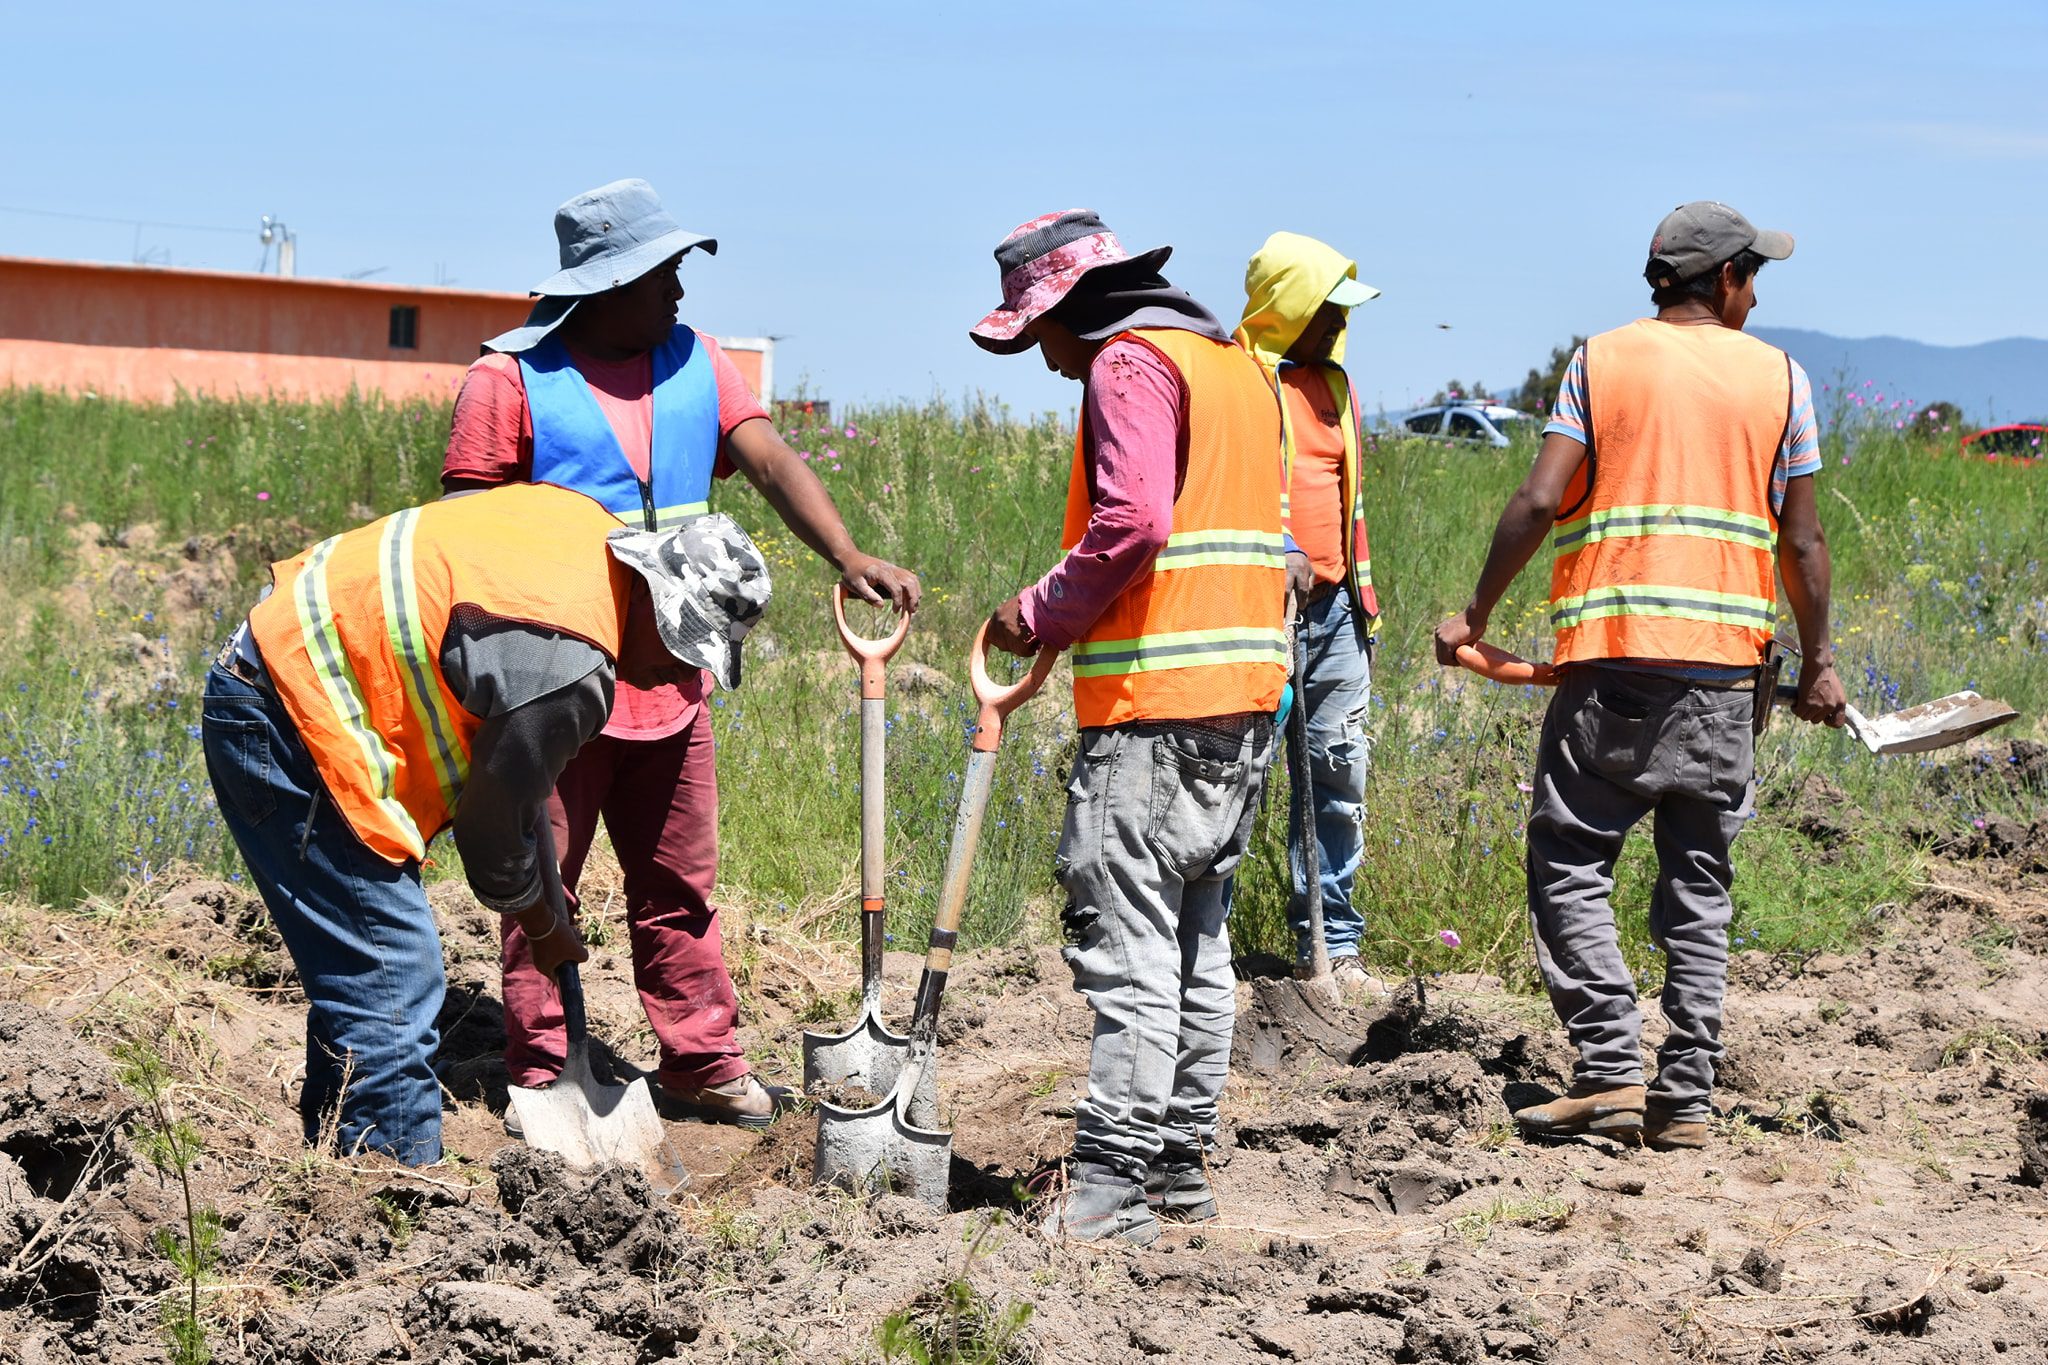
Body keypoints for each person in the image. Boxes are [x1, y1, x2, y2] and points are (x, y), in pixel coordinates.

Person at [442, 179, 920, 1127]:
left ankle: (700, 1059)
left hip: (671, 672)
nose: (679, 291)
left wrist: (849, 553)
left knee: (679, 883)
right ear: (602, 284)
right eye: (661, 272)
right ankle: (543, 1066)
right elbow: (463, 532)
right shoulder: (510, 379)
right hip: (552, 685)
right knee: (545, 876)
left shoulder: (698, 362)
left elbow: (773, 460)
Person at [1433, 202, 1847, 1151]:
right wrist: (1820, 664)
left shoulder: (1602, 361)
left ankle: (1612, 1065)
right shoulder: (1781, 378)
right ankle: (1687, 1098)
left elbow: (1541, 497)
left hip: (1613, 665)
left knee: (1572, 860)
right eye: (1756, 276)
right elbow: (1804, 539)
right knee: (1700, 883)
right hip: (1726, 675)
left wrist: (1478, 616)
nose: (1757, 293)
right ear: (1729, 279)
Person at [201, 484, 771, 1164]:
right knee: (394, 981)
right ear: (654, 600)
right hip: (294, 715)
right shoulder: (575, 664)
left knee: (364, 975)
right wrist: (540, 923)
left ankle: (339, 1177)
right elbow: (491, 839)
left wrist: (548, 908)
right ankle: (396, 1204)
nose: (674, 672)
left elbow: (516, 780)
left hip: (284, 667)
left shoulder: (585, 531)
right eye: (682, 649)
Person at [972, 210, 1295, 1244]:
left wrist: (1036, 611)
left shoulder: (1128, 364)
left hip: (1155, 710)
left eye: (1040, 338)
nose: (1050, 365)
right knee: (1200, 950)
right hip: (1242, 700)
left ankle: (1108, 1188)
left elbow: (1134, 524)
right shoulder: (1239, 369)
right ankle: (1176, 1174)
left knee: (1132, 953)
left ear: (1071, 308)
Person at [1236, 232, 1386, 995]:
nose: (1336, 325)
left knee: (1336, 774)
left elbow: (1350, 509)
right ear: (1288, 308)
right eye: (1324, 310)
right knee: (1240, 776)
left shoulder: (1337, 387)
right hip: (1259, 617)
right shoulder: (1240, 385)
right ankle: (1206, 940)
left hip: (1334, 618)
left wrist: (1360, 606)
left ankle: (1333, 943)